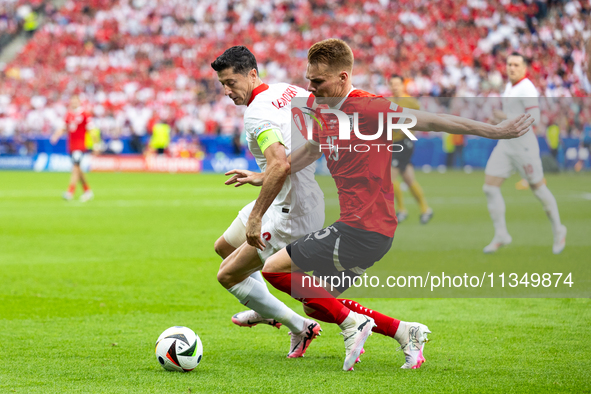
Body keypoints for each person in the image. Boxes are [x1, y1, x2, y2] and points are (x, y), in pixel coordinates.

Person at [236, 39, 532, 372]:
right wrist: (267, 175)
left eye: (318, 82)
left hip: (362, 228)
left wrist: (494, 131)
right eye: (309, 79)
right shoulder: (323, 109)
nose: (311, 87)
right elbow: (312, 150)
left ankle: (353, 325)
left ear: (343, 78)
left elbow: (433, 121)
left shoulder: (371, 108)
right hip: (370, 230)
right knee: (317, 305)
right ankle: (406, 332)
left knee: (274, 269)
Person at [210, 46, 326, 358]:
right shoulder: (287, 90)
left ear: (251, 74)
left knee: (228, 275)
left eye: (231, 83)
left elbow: (280, 164)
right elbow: (316, 139)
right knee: (224, 247)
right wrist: (265, 174)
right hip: (291, 195)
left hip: (289, 207)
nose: (226, 91)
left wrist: (256, 217)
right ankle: (265, 306)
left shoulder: (256, 114)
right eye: (222, 84)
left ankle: (300, 325)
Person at [484, 52, 566, 254]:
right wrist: (498, 122)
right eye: (509, 64)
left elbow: (535, 118)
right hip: (506, 145)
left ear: (524, 68)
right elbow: (513, 117)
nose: (511, 68)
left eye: (516, 64)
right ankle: (501, 234)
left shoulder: (527, 87)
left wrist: (505, 116)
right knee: (489, 187)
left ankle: (559, 229)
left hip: (524, 147)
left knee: (538, 189)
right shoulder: (511, 86)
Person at [388, 74, 432, 224]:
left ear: (403, 85)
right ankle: (425, 209)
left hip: (404, 142)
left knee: (390, 177)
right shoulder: (389, 102)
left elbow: (420, 120)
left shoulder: (411, 102)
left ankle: (401, 210)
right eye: (392, 84)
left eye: (397, 84)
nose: (395, 87)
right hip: (394, 143)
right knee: (408, 178)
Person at [50, 96, 94, 202]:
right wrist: (55, 136)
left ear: (79, 102)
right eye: (72, 101)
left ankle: (70, 192)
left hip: (80, 145)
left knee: (75, 167)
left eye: (75, 101)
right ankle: (87, 191)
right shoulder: (68, 115)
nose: (73, 103)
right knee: (78, 169)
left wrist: (96, 144)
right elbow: (63, 128)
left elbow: (91, 129)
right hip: (71, 146)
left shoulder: (85, 114)